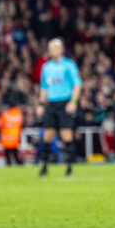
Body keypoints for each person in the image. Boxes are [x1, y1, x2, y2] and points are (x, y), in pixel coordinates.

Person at [37, 38, 82, 177]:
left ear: (61, 49)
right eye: (50, 48)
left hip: (65, 103)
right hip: (51, 104)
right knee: (47, 135)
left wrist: (73, 101)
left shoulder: (69, 65)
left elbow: (77, 84)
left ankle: (69, 168)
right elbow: (44, 87)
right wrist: (41, 104)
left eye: (54, 47)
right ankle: (44, 167)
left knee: (66, 135)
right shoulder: (46, 67)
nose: (51, 50)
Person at [0, 100, 23, 166]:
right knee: (15, 153)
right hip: (15, 138)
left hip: (6, 139)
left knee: (7, 154)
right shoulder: (18, 114)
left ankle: (9, 164)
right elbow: (21, 124)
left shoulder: (5, 114)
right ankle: (18, 164)